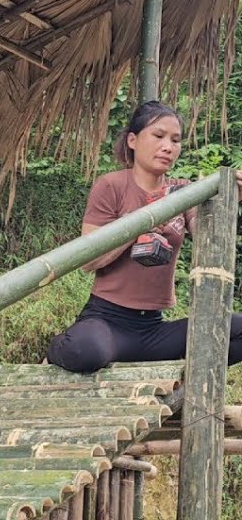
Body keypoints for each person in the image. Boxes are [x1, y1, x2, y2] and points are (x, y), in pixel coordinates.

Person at [46, 100, 242, 373]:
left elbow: (207, 236)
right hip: (108, 321)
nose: (168, 147)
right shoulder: (112, 185)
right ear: (133, 140)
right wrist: (141, 223)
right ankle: (56, 347)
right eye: (158, 136)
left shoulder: (182, 192)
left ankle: (177, 372)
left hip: (153, 331)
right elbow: (89, 260)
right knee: (85, 351)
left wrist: (226, 202)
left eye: (176, 140)